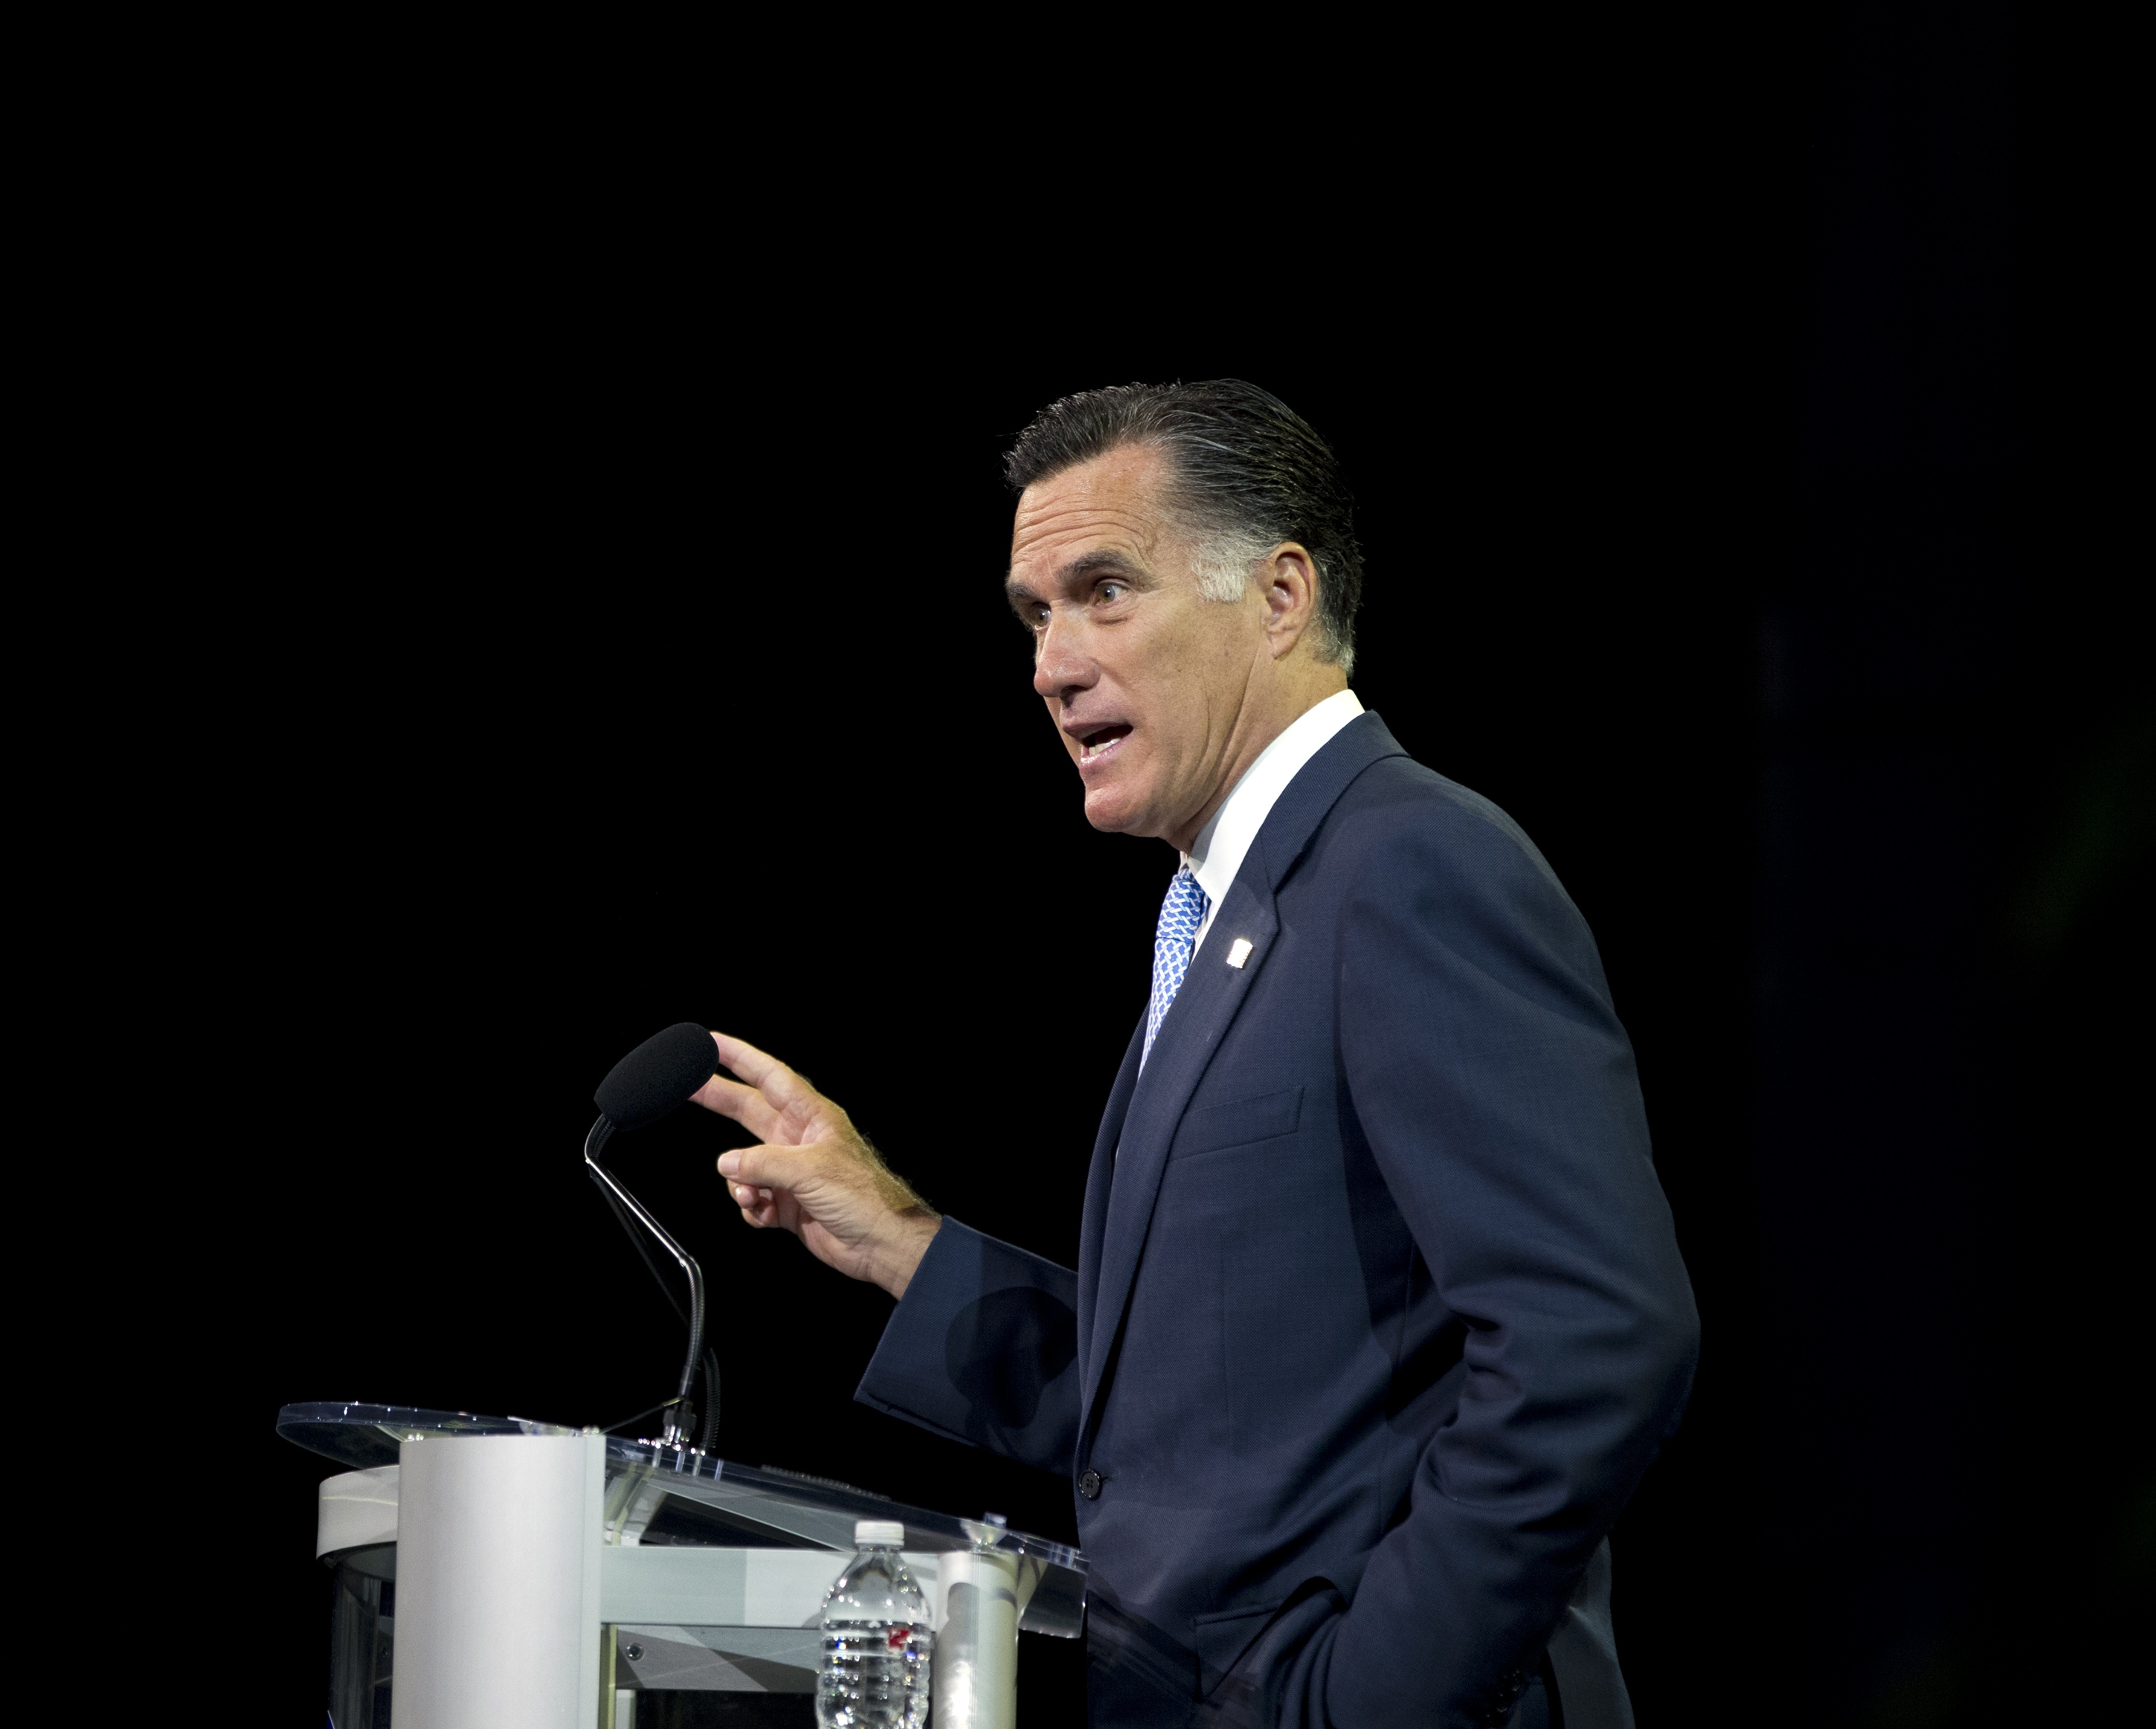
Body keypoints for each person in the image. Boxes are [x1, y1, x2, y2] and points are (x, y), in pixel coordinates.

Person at [689, 380, 1699, 1728]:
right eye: (1036, 613)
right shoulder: (1231, 912)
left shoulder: (1409, 865)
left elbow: (1596, 1341)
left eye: (1106, 589)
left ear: (1281, 596)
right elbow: (1189, 1414)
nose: (1052, 662)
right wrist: (895, 1237)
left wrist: (1365, 1697)